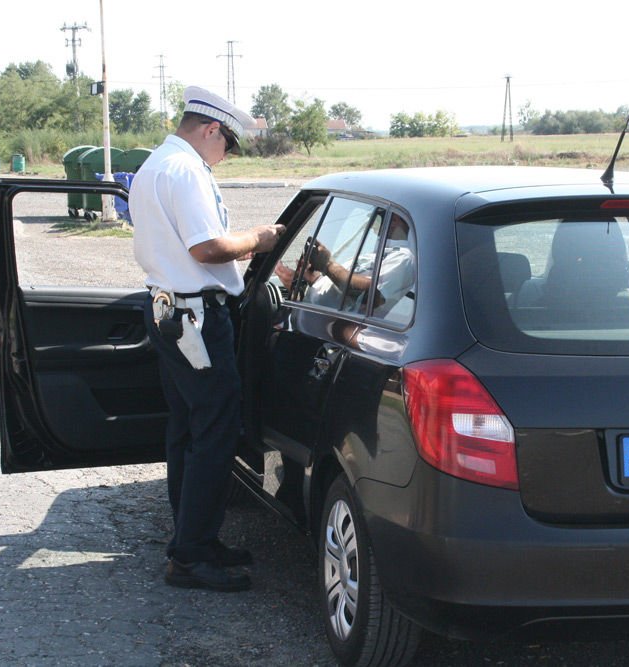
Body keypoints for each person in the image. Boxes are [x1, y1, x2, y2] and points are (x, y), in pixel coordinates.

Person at [128, 86, 285, 592]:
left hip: (168, 310)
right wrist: (259, 239)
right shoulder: (187, 170)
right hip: (196, 317)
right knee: (216, 430)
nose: (226, 156)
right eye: (227, 145)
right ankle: (191, 555)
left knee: (188, 430)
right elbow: (209, 248)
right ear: (211, 129)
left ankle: (193, 537)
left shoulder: (156, 164)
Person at [275, 215, 414, 318]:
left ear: (394, 221)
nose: (370, 223)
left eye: (375, 217)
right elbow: (344, 287)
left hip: (336, 333)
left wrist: (328, 265)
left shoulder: (403, 258)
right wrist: (311, 277)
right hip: (314, 321)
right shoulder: (378, 254)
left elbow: (372, 296)